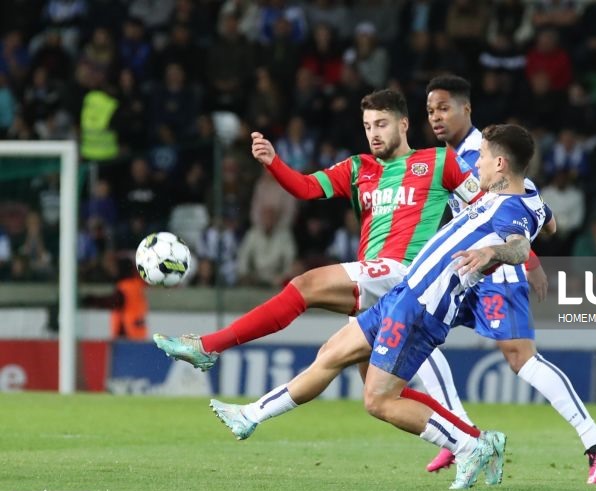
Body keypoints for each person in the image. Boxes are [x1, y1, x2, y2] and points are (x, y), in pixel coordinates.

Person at [208, 124, 596, 488]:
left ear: (499, 164)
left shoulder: (510, 208)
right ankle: (250, 416)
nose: (473, 164)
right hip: (404, 293)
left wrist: (494, 250)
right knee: (332, 354)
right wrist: (542, 220)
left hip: (424, 306)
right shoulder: (524, 196)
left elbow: (517, 246)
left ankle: (470, 444)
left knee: (379, 400)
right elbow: (548, 221)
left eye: (480, 158)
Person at [154, 89, 481, 445]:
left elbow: (483, 206)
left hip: (404, 273)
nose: (373, 133)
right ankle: (474, 440)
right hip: (375, 283)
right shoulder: (359, 168)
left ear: (403, 124)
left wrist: (510, 251)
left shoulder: (438, 161)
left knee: (306, 285)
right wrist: (274, 162)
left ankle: (208, 346)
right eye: (368, 125)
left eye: (381, 124)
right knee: (372, 390)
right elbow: (308, 188)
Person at [425, 74, 596, 474]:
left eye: (444, 108)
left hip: (494, 270)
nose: (436, 117)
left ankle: (595, 438)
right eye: (430, 110)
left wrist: (528, 261)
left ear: (467, 109)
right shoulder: (446, 157)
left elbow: (527, 199)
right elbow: (543, 214)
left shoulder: (485, 153)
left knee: (521, 359)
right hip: (465, 271)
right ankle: (460, 434)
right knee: (419, 337)